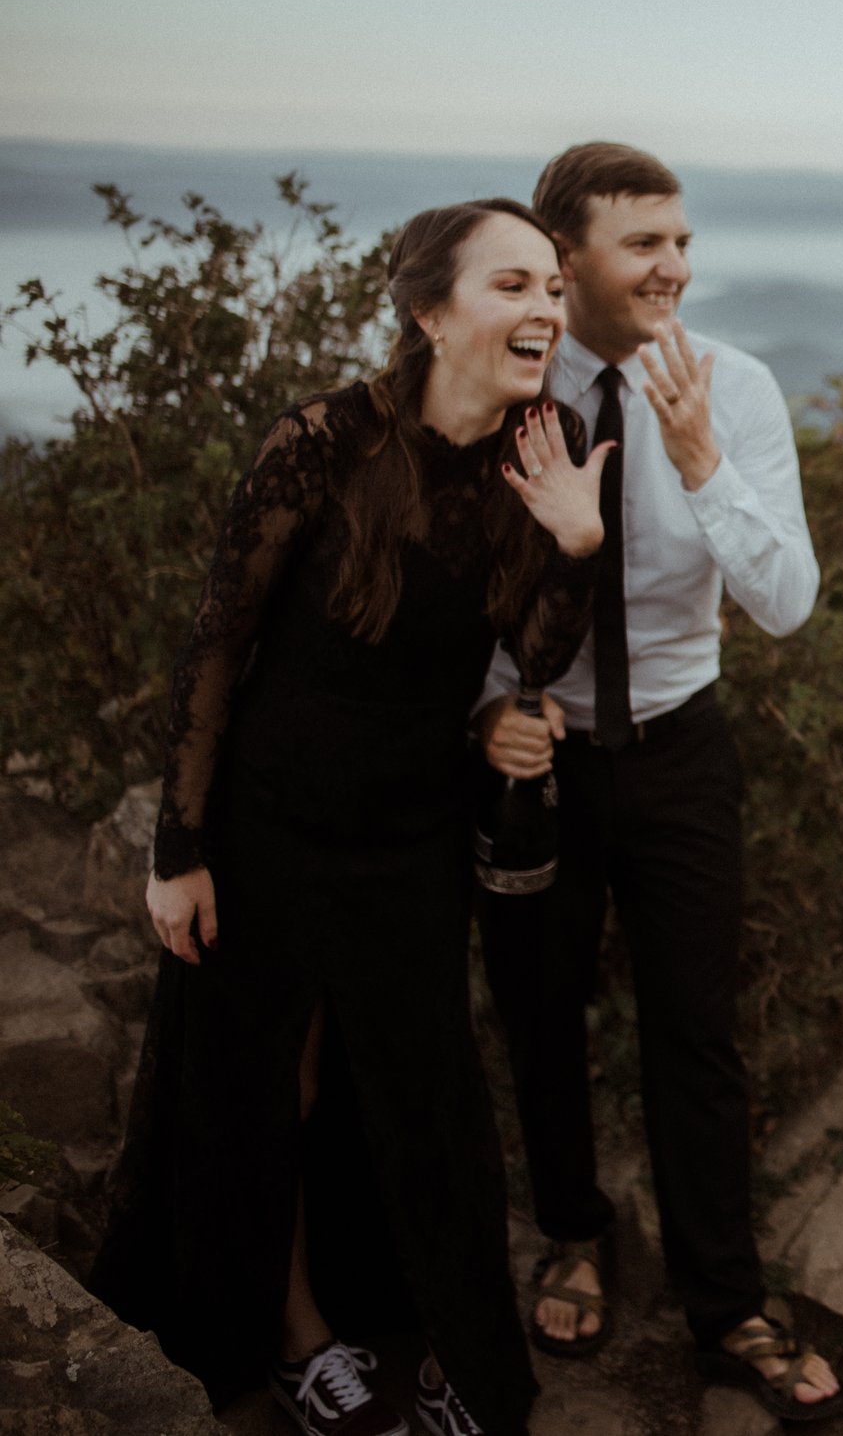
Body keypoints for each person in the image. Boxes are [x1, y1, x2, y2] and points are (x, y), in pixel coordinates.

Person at [90, 200, 612, 1436]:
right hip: (269, 820)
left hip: (409, 832)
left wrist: (577, 543)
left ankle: (454, 1363)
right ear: (429, 312)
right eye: (512, 285)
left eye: (551, 285)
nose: (544, 308)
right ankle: (290, 1337)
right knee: (267, 1083)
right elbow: (220, 644)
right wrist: (181, 849)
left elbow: (533, 653)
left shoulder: (553, 439)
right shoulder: (323, 439)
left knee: (424, 1094)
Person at [469, 142, 835, 1419]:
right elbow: (449, 596)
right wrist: (483, 720)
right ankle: (573, 1231)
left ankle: (725, 1299)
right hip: (542, 758)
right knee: (540, 1014)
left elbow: (785, 603)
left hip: (682, 748)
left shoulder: (735, 389)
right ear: (566, 262)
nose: (675, 265)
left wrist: (700, 465)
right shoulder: (499, 396)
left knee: (696, 1029)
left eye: (681, 241)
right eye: (645, 245)